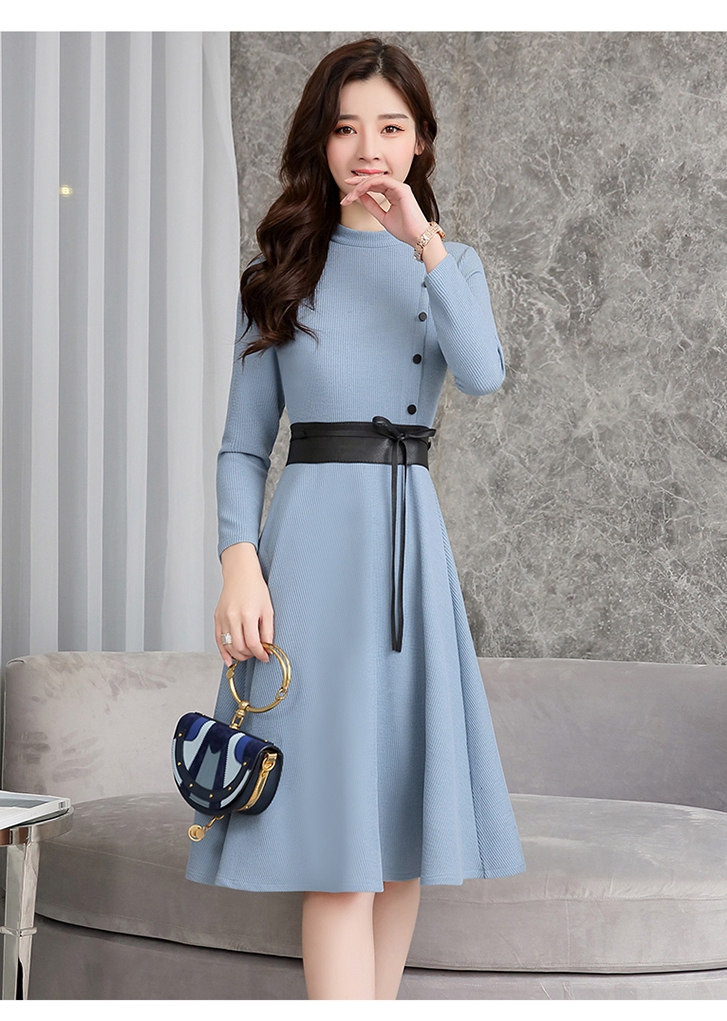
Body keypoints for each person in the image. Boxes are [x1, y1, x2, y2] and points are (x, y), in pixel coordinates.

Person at [186, 37, 527, 1000]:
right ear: (321, 141)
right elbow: (243, 445)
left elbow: (484, 374)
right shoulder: (282, 270)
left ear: (419, 142)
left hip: (408, 562)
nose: (368, 148)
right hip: (310, 564)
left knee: (398, 843)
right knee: (337, 856)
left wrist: (424, 243)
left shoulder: (449, 266)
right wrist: (238, 562)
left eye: (390, 127)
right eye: (346, 128)